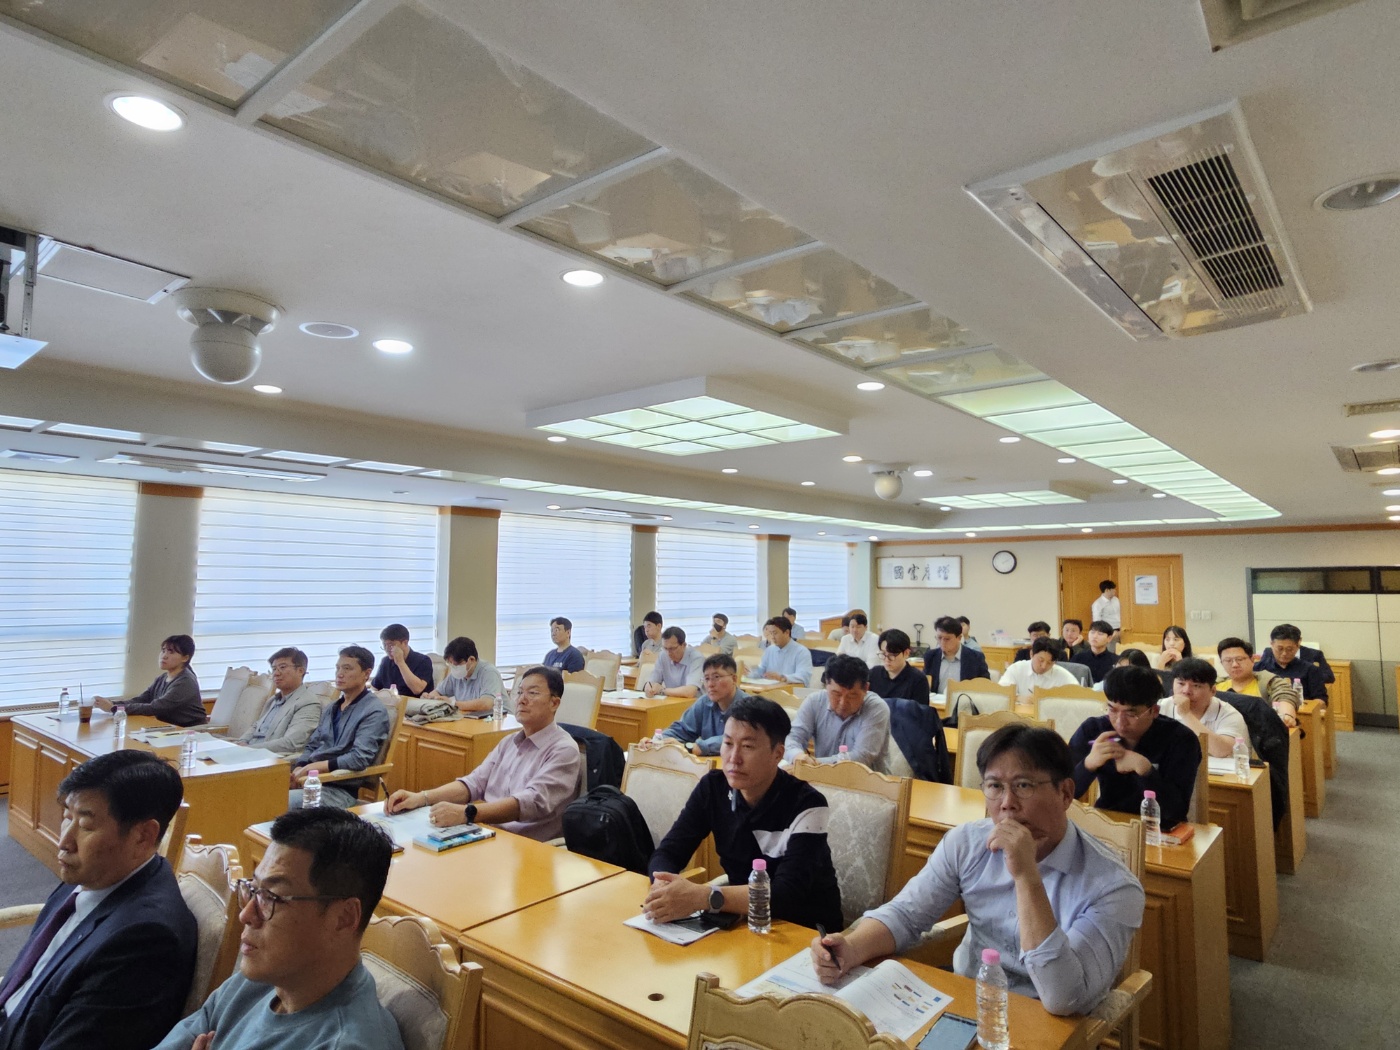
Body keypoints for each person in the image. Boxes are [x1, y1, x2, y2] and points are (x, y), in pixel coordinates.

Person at [811, 724, 1143, 1016]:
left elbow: (1062, 998)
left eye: (1023, 786)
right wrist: (852, 947)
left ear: (1066, 792)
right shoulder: (967, 843)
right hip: (970, 998)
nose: (1007, 803)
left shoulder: (1113, 886)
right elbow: (906, 915)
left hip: (1054, 1023)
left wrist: (1026, 876)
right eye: (995, 786)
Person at [156, 808, 401, 1050]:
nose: (246, 915)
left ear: (344, 918)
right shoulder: (262, 979)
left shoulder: (344, 1042)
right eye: (253, 890)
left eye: (272, 897)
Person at [0, 751, 196, 1050]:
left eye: (86, 826)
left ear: (143, 836)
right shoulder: (94, 875)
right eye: (67, 817)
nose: (64, 842)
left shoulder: (144, 941)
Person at [645, 696, 842, 932]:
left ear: (777, 753)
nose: (733, 758)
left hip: (804, 931)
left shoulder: (808, 804)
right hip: (744, 924)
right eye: (728, 743)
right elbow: (668, 852)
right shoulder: (713, 788)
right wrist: (662, 886)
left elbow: (786, 895)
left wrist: (704, 896)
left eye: (747, 746)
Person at [385, 665, 581, 841]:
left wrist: (468, 813)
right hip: (487, 832)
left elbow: (532, 802)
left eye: (533, 693)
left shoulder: (564, 750)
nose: (522, 700)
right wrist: (421, 798)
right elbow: (474, 783)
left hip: (526, 845)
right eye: (520, 692)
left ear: (554, 703)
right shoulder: (509, 742)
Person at [1069, 665, 1201, 829]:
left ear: (1154, 711)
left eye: (1131, 714)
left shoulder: (1181, 739)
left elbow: (1175, 811)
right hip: (1107, 824)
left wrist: (1146, 771)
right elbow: (1061, 793)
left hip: (1159, 829)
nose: (1120, 722)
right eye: (1112, 710)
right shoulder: (1093, 730)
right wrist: (1088, 765)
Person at [289, 646, 392, 809]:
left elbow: (359, 758)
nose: (340, 674)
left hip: (338, 789)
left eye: (347, 668)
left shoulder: (373, 710)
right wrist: (301, 765)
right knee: (257, 792)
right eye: (338, 668)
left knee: (274, 802)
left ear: (366, 673)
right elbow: (313, 744)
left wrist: (316, 767)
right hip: (311, 781)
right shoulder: (333, 707)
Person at [783, 654, 890, 769]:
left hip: (868, 779)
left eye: (852, 696)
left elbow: (861, 757)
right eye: (836, 694)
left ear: (866, 689)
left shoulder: (877, 708)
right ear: (826, 685)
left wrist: (813, 765)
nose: (843, 703)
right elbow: (793, 737)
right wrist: (797, 756)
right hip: (821, 777)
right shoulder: (815, 701)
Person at [94, 634, 205, 727]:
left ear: (185, 658)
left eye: (171, 652)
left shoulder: (185, 682)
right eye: (163, 651)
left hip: (190, 731)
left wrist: (114, 708)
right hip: (168, 729)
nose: (164, 656)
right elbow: (142, 699)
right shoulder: (162, 678)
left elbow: (155, 708)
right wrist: (112, 704)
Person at [660, 653, 753, 755]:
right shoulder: (704, 702)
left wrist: (696, 747)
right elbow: (682, 729)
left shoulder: (749, 707)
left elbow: (735, 739)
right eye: (707, 679)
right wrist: (660, 740)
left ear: (734, 679)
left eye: (716, 677)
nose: (710, 684)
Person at [238, 647, 323, 756]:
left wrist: (248, 750)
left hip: (271, 759)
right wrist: (241, 742)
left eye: (282, 667)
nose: (276, 673)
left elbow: (291, 743)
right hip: (250, 753)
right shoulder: (273, 700)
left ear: (300, 671)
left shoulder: (308, 703)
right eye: (274, 669)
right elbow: (256, 726)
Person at [1160, 657, 1249, 758]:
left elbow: (1221, 752)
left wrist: (1186, 714)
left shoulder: (1229, 714)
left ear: (1213, 691)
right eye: (1181, 683)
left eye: (1196, 686)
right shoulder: (1161, 707)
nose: (1186, 691)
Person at [1216, 636, 1300, 728]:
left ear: (1252, 660)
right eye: (1228, 660)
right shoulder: (1215, 687)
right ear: (1221, 663)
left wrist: (1287, 716)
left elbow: (1284, 696)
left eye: (1239, 659)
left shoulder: (1268, 682)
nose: (1235, 665)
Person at [425, 635, 505, 714]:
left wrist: (452, 703)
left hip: (499, 718)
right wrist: (431, 698)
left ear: (471, 660)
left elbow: (486, 704)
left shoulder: (489, 673)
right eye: (450, 664)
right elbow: (438, 692)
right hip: (471, 717)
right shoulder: (456, 675)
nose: (453, 668)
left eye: (456, 665)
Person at [1254, 624, 1327, 702]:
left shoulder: (1310, 670)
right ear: (1271, 644)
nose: (1284, 653)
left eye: (1289, 649)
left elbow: (1321, 700)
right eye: (1280, 649)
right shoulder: (1259, 668)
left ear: (1298, 646)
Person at [924, 615, 990, 696]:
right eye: (939, 638)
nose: (942, 642)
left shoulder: (975, 658)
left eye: (947, 639)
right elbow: (925, 685)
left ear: (959, 637)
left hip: (965, 701)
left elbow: (985, 687)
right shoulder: (930, 656)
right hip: (935, 702)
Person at [999, 637, 1080, 700]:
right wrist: (1019, 698)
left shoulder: (1064, 676)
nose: (1044, 666)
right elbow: (1000, 693)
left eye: (1049, 663)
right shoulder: (1016, 669)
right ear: (1031, 654)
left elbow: (1078, 698)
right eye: (1041, 660)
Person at [868, 628, 931, 706]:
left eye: (892, 655)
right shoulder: (874, 674)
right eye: (883, 653)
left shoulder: (918, 679)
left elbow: (919, 711)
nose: (886, 659)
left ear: (906, 653)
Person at [370, 623, 433, 697]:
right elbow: (374, 688)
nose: (387, 649)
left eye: (391, 645)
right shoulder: (386, 661)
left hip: (416, 702)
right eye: (384, 645)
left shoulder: (423, 661)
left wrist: (400, 662)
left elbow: (417, 689)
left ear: (405, 643)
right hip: (391, 702)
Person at [644, 626, 704, 698]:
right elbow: (653, 682)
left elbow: (690, 692)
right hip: (672, 701)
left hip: (694, 702)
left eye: (672, 648)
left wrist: (662, 690)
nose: (668, 653)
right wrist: (649, 687)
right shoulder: (663, 655)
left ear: (684, 645)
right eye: (665, 648)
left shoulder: (696, 658)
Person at [755, 616, 813, 684]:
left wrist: (782, 678)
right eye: (771, 633)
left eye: (775, 633)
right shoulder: (769, 650)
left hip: (791, 689)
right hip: (770, 688)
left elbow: (804, 676)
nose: (772, 637)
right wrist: (748, 673)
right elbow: (760, 671)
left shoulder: (802, 652)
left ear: (787, 633)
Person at [1068, 621, 1117, 685]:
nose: (1095, 636)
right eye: (1092, 632)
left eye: (1100, 634)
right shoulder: (1077, 658)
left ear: (1109, 638)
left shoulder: (1115, 661)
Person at [1091, 580, 1121, 648]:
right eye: (1113, 589)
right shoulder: (1098, 604)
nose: (1115, 591)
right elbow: (1097, 622)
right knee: (1111, 650)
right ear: (1107, 590)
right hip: (1110, 631)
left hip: (1122, 630)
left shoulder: (1116, 600)